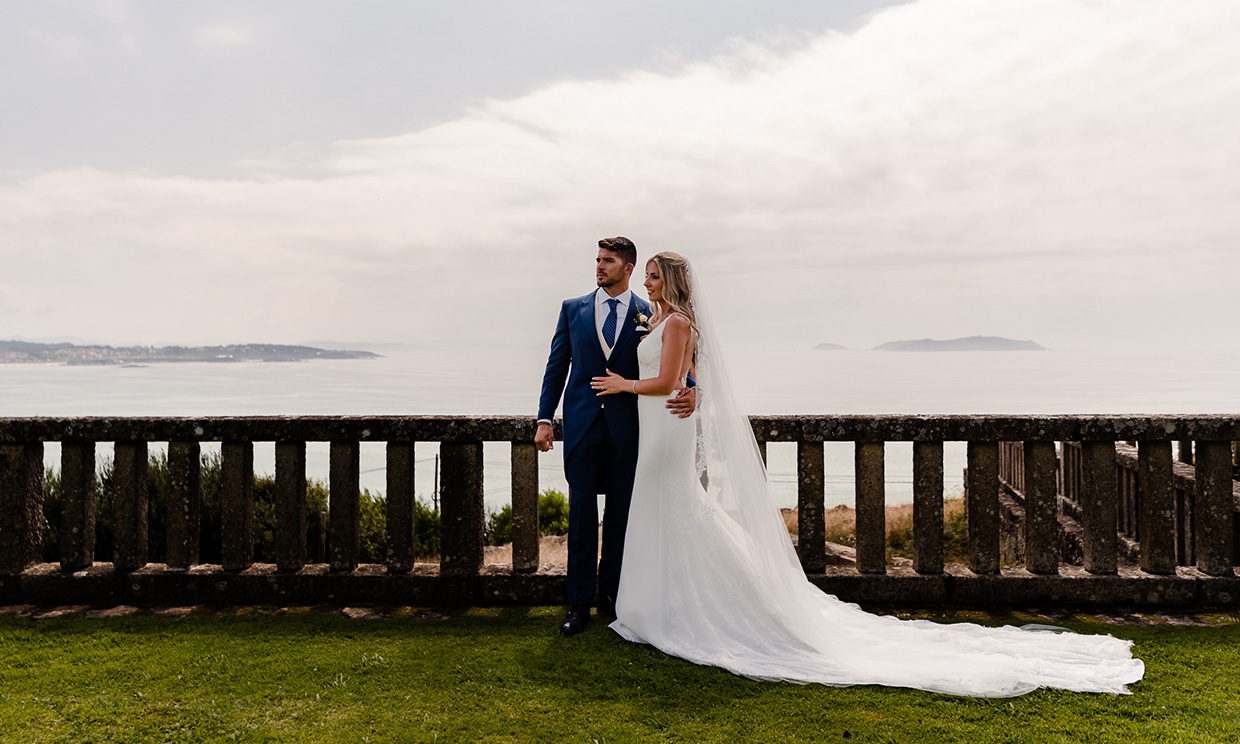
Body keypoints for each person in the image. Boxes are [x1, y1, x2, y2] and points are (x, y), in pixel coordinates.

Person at [589, 251, 1144, 697]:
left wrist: (626, 386)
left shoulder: (679, 321)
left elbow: (670, 381)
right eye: (651, 277)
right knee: (663, 509)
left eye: (658, 276)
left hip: (664, 422)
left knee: (678, 506)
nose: (652, 283)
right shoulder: (656, 319)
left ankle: (698, 610)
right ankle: (657, 605)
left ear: (675, 280)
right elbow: (687, 377)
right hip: (659, 427)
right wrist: (685, 388)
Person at [536, 237, 695, 637]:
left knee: (624, 516)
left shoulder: (652, 313)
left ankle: (613, 595)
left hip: (632, 431)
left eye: (608, 261)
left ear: (628, 268)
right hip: (583, 428)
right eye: (598, 260)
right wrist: (543, 418)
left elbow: (677, 365)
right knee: (582, 518)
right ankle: (577, 603)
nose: (599, 266)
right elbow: (556, 368)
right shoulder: (573, 310)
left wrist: (695, 390)